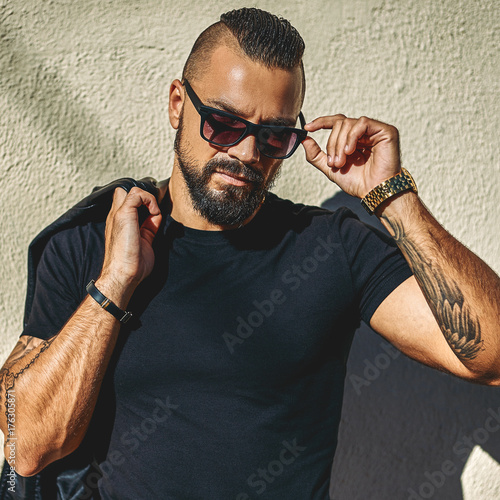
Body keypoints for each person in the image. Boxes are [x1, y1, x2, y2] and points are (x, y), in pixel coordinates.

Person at [1, 7, 499, 499]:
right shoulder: (94, 241)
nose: (247, 153)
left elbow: (492, 359)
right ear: (178, 103)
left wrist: (393, 198)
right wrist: (113, 284)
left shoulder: (331, 248)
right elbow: (28, 446)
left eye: (274, 135)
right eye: (223, 124)